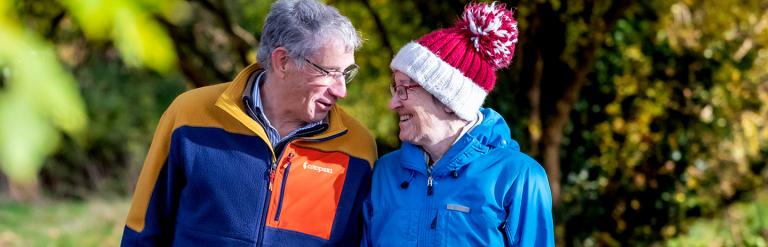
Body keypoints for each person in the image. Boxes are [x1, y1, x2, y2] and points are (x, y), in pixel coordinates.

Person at [120, 0, 377, 245]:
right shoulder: (189, 115)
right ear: (283, 61)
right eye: (329, 72)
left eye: (346, 74)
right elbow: (143, 229)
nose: (341, 90)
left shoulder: (357, 146)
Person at [362, 2, 554, 246]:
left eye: (404, 90)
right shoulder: (384, 173)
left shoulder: (518, 177)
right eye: (395, 88)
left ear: (449, 102)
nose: (393, 103)